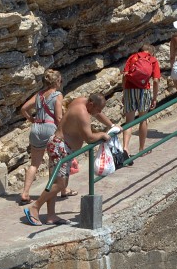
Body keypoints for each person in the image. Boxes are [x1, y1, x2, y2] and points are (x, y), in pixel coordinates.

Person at [23, 94, 118, 226]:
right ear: (91, 104)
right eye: (98, 109)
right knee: (61, 184)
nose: (99, 112)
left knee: (55, 182)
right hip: (60, 148)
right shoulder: (83, 114)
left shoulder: (81, 101)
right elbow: (89, 138)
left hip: (58, 145)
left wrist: (112, 125)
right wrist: (102, 134)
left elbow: (96, 114)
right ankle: (34, 207)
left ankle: (51, 216)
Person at [17, 69, 66, 205]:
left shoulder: (39, 95)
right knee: (57, 162)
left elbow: (23, 109)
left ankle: (25, 193)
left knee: (34, 164)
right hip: (50, 128)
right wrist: (62, 130)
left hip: (36, 129)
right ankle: (61, 190)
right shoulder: (57, 95)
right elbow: (58, 116)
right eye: (60, 80)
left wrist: (31, 119)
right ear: (57, 81)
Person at [121, 43, 162, 156]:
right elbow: (155, 80)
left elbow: (125, 75)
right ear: (151, 52)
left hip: (129, 89)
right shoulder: (153, 60)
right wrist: (154, 98)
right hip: (144, 90)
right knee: (143, 120)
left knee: (129, 121)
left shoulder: (132, 57)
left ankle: (125, 148)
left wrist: (124, 93)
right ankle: (141, 149)